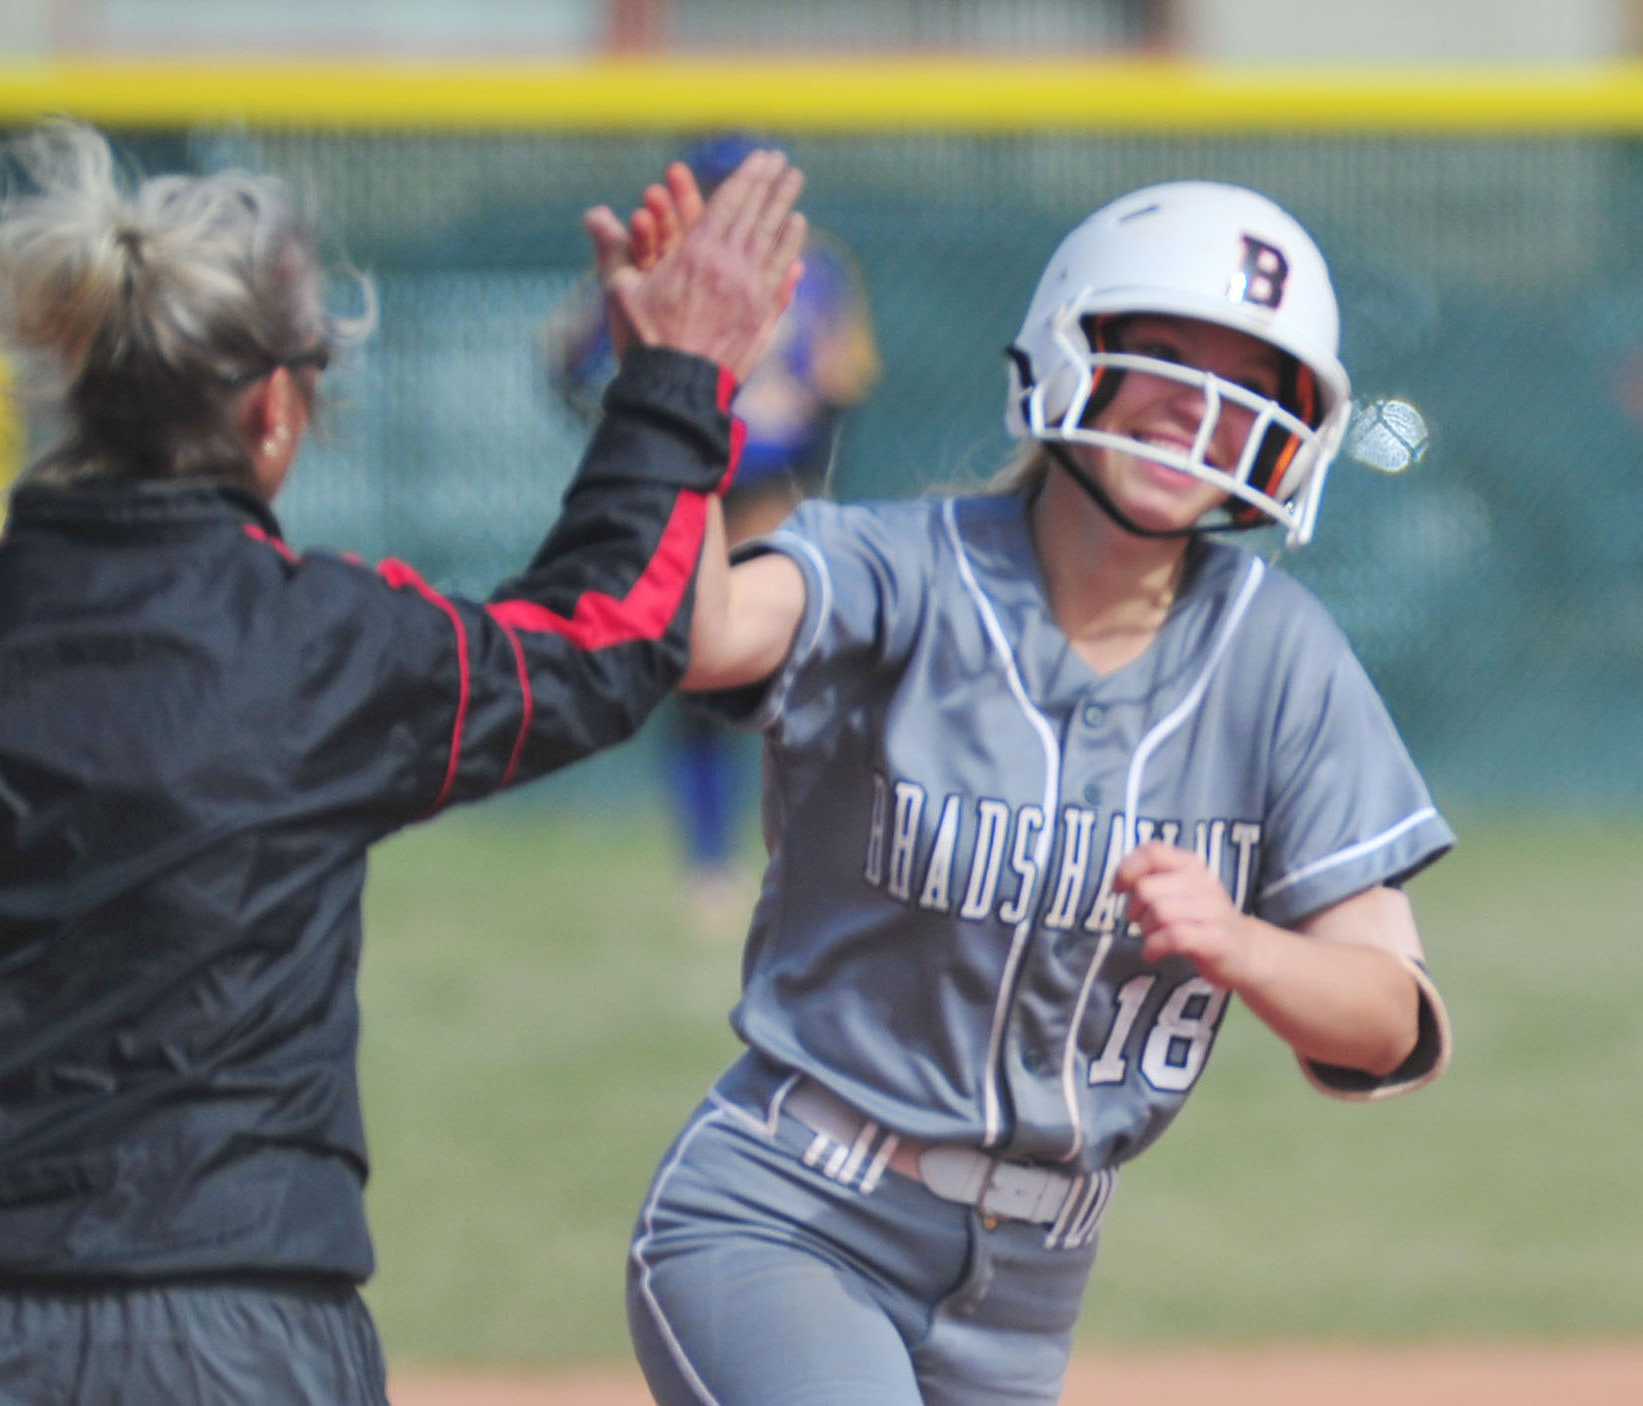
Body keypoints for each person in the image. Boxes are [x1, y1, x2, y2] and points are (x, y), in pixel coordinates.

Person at [0, 119, 806, 1404]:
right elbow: (605, 633)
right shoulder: (329, 640)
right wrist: (675, 380)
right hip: (236, 1331)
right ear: (269, 410)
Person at [622, 178, 1455, 1404]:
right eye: (1163, 355)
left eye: (1244, 381)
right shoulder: (898, 569)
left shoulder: (1280, 655)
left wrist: (1239, 943)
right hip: (788, 1214)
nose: (1197, 407)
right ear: (1074, 351)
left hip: (1024, 1293)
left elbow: (1391, 1021)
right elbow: (701, 636)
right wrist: (677, 393)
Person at [544, 132, 881, 935]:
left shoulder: (815, 267)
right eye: (720, 186)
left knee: (804, 681)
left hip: (772, 489)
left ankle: (810, 852)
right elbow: (569, 361)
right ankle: (710, 866)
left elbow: (847, 377)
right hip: (688, 494)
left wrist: (802, 400)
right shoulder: (662, 262)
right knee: (696, 682)